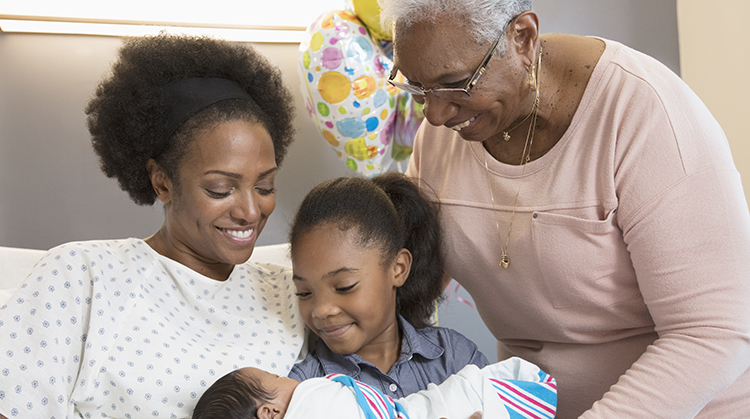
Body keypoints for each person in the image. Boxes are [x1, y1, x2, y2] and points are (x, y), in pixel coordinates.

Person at [377, 0, 750, 418]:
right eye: (418, 87)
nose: (436, 114)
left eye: (457, 84)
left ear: (523, 38)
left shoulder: (644, 115)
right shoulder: (447, 129)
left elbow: (715, 332)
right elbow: (409, 279)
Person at [0, 34, 305, 419]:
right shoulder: (83, 276)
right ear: (162, 182)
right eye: (220, 189)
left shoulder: (296, 292)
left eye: (265, 186)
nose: (249, 210)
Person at [287, 173, 489, 398]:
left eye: (344, 287)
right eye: (304, 293)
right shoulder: (303, 390)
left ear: (398, 268)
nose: (321, 310)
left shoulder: (454, 357)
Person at [191, 357, 556, 419]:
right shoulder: (310, 402)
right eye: (274, 378)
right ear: (269, 412)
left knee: (467, 387)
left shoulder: (445, 346)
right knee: (473, 388)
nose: (287, 377)